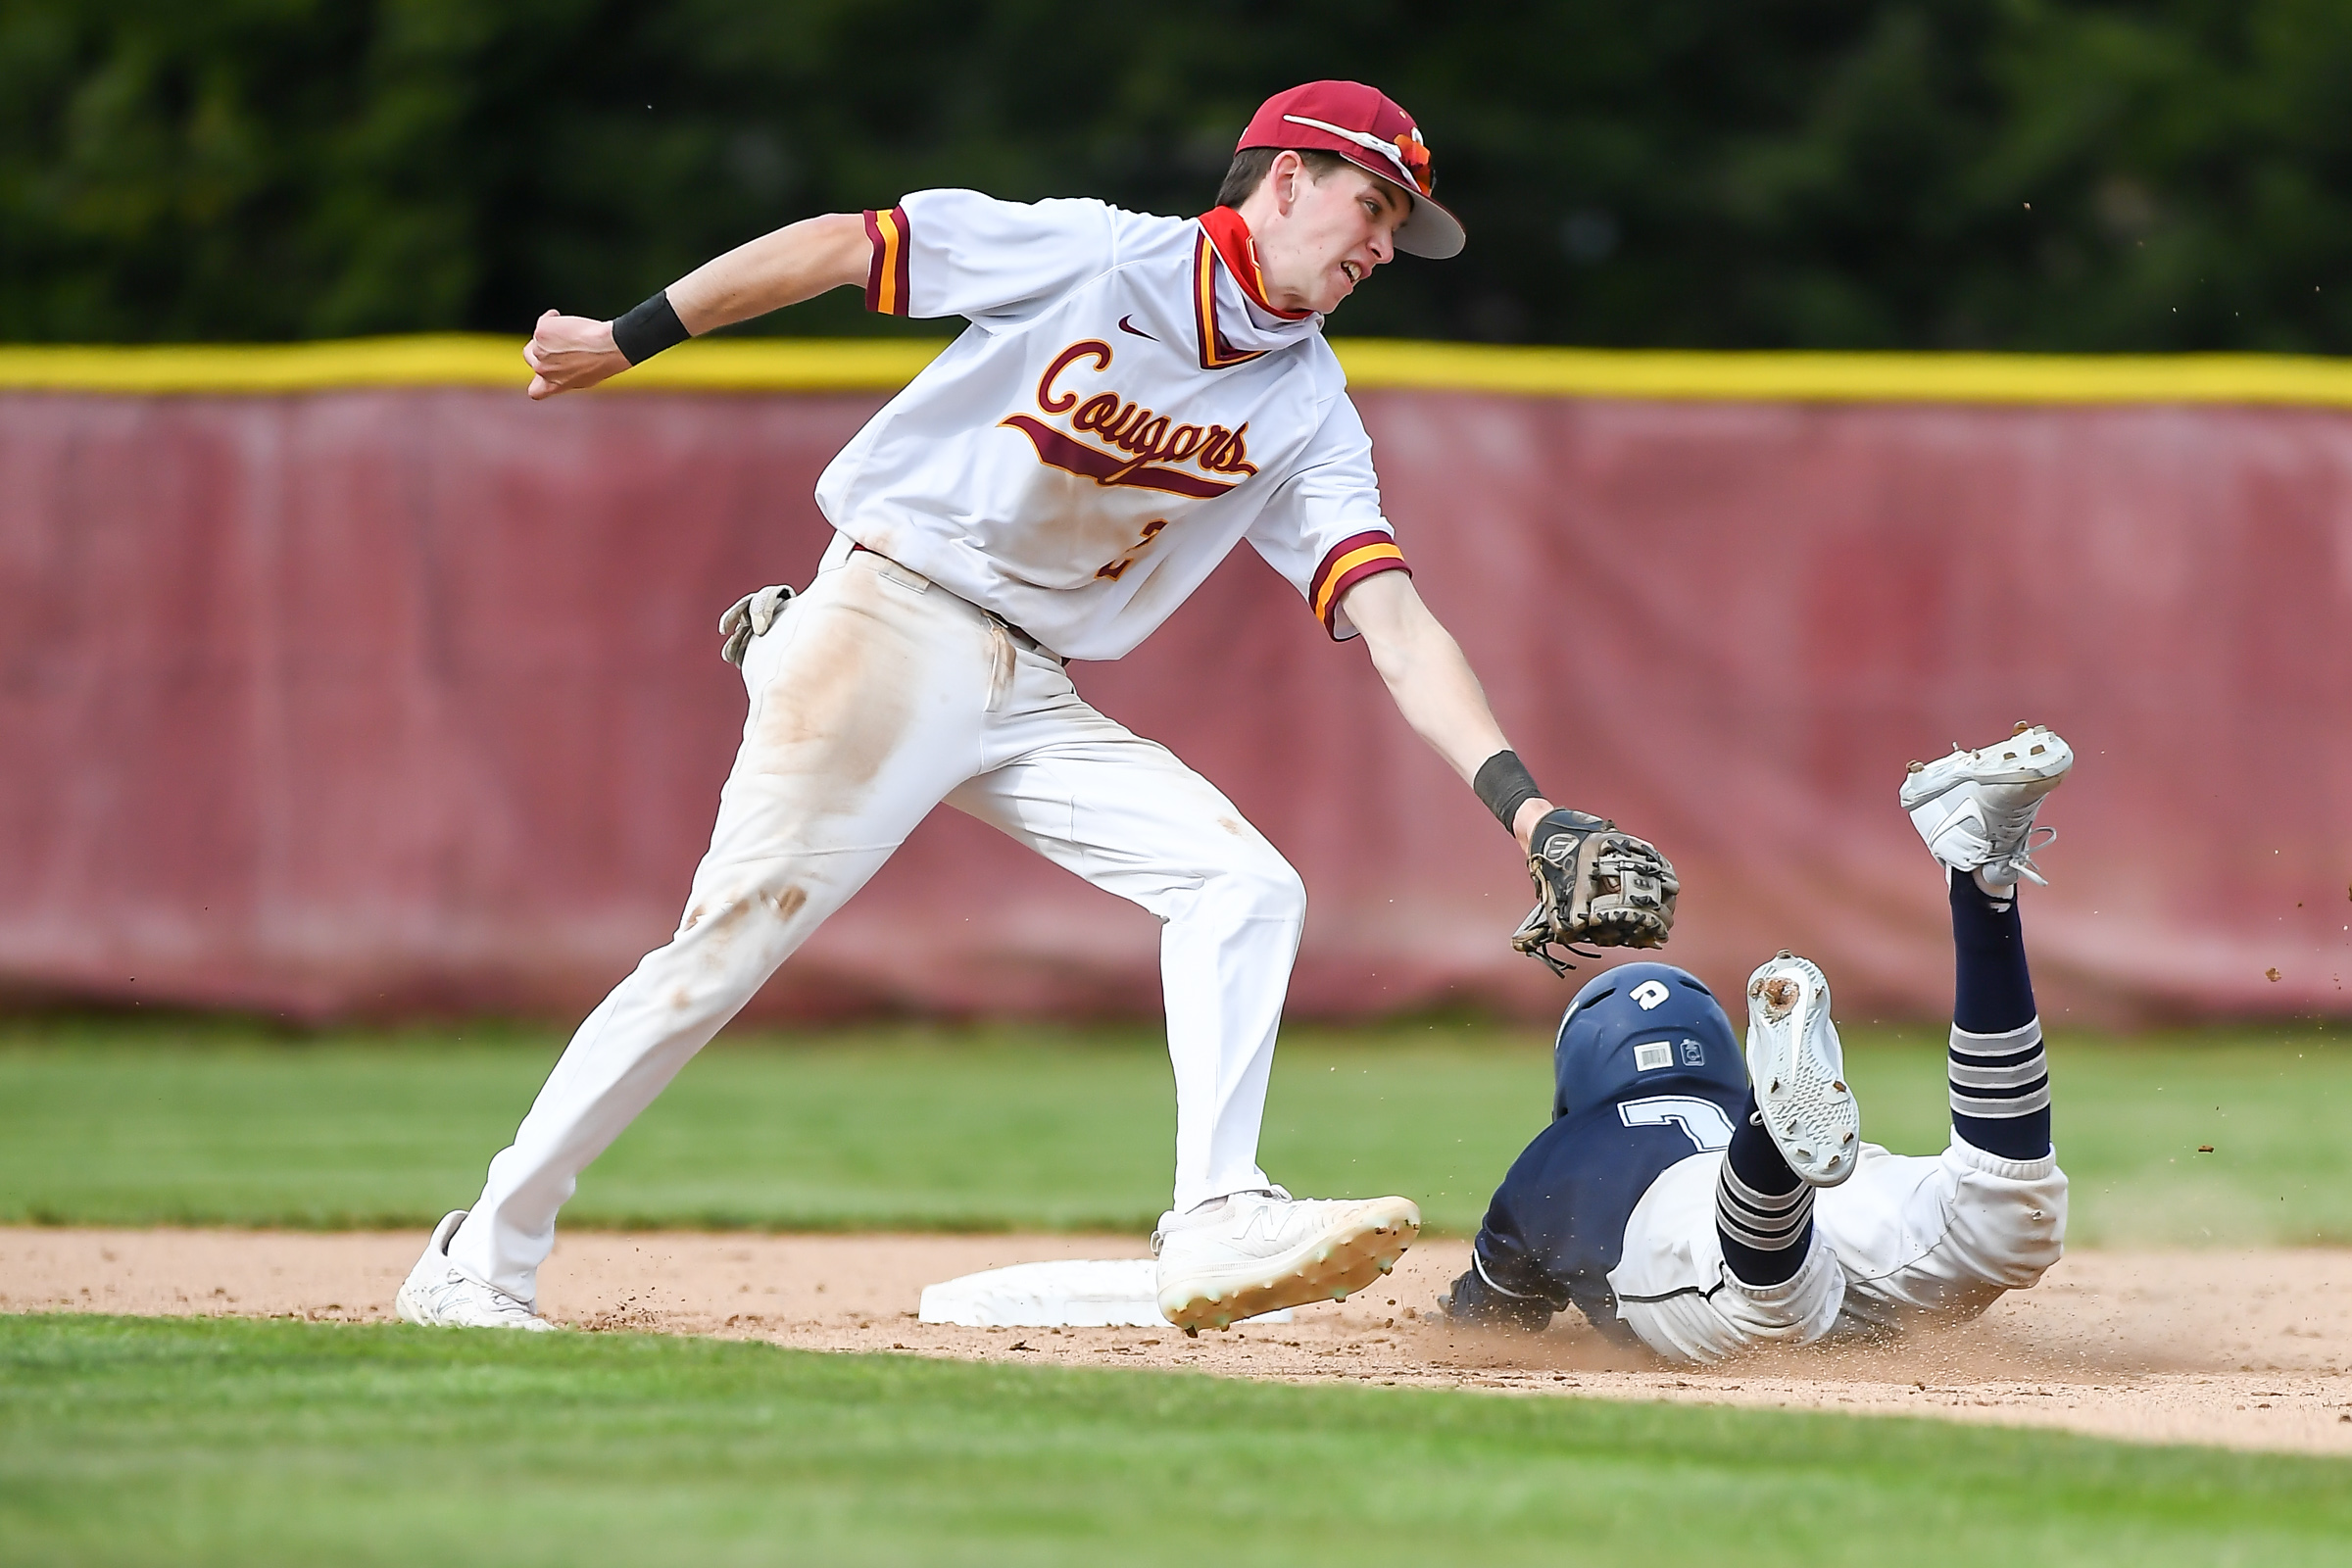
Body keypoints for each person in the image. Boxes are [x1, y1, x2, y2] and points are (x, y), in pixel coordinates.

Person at [396, 80, 1672, 1336]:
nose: (1387, 243)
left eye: (1401, 223)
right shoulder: (1096, 257)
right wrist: (626, 336)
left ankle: (1216, 1211)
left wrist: (1527, 809)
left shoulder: (1305, 404)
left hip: (1026, 690)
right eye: (1374, 202)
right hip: (891, 618)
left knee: (1243, 888)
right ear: (1286, 179)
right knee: (721, 957)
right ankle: (483, 1253)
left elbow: (1392, 617)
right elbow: (846, 248)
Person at [1441, 725, 2073, 1361]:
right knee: (2006, 1219)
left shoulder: (1553, 1161)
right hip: (1839, 1196)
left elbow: (1488, 1321)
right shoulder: (1692, 1108)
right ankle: (1980, 879)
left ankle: (1771, 1140)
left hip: (1699, 1221)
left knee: (1763, 1307)